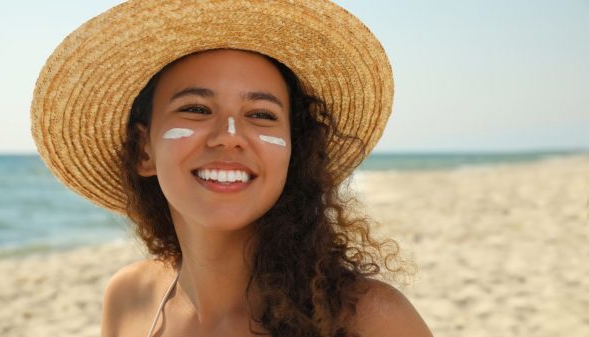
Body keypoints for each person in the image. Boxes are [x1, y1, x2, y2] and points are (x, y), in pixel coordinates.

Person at [31, 1, 433, 336]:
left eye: (260, 114)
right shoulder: (127, 299)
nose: (229, 135)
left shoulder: (368, 319)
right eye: (195, 109)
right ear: (144, 151)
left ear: (294, 153)